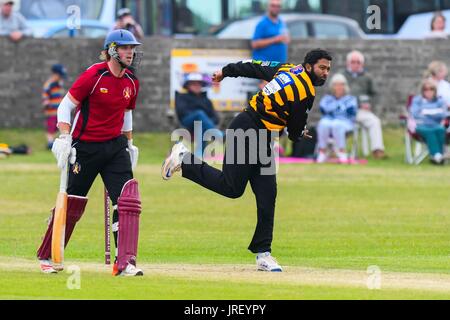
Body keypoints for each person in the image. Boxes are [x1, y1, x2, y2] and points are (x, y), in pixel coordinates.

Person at [162, 49, 332, 272]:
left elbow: (253, 66)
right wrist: (299, 133)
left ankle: (264, 254)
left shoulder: (287, 68)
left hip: (261, 136)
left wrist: (225, 71)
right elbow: (294, 129)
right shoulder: (304, 91)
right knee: (231, 188)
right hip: (247, 130)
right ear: (309, 66)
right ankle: (184, 158)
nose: (325, 73)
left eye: (328, 69)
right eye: (322, 68)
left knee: (267, 194)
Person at [36, 29, 144, 276]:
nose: (131, 52)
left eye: (132, 48)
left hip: (115, 147)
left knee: (127, 201)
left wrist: (129, 143)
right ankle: (48, 255)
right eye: (126, 48)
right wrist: (64, 136)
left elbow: (126, 113)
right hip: (85, 147)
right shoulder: (94, 75)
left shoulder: (131, 82)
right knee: (73, 203)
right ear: (113, 49)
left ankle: (125, 262)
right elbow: (66, 105)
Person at [340, 50, 386, 159]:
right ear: (348, 63)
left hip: (360, 110)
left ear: (362, 64)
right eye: (353, 62)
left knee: (375, 121)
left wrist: (369, 104)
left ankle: (377, 149)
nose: (355, 64)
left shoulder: (367, 77)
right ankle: (336, 150)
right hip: (343, 110)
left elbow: (375, 94)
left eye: (358, 62)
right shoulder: (341, 76)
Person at [175, 72, 222, 158]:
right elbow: (181, 111)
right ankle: (217, 134)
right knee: (199, 114)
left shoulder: (206, 100)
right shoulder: (182, 97)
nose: (196, 86)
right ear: (188, 85)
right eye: (193, 83)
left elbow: (214, 117)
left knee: (200, 123)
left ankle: (199, 154)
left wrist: (207, 121)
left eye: (198, 83)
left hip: (201, 125)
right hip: (187, 122)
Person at [316, 74, 358, 164]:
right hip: (329, 121)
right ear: (332, 86)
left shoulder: (350, 99)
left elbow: (351, 113)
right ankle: (322, 152)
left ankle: (341, 152)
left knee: (337, 124)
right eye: (336, 84)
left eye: (341, 84)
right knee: (323, 123)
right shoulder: (327, 99)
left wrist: (335, 108)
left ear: (345, 86)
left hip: (345, 122)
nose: (339, 87)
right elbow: (323, 110)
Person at [410, 78, 448, 164]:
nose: (428, 91)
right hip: (421, 126)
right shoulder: (417, 100)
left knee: (440, 130)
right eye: (425, 89)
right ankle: (438, 156)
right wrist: (434, 112)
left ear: (435, 90)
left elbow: (444, 114)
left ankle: (437, 156)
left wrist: (426, 112)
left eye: (431, 89)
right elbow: (414, 113)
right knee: (430, 132)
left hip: (436, 125)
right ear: (422, 90)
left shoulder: (440, 100)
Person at [42, 64, 67, 150]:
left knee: (59, 126)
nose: (61, 78)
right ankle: (50, 143)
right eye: (59, 76)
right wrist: (47, 104)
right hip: (51, 111)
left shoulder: (59, 84)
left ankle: (56, 143)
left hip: (58, 111)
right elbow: (45, 96)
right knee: (51, 127)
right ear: (55, 74)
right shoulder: (49, 84)